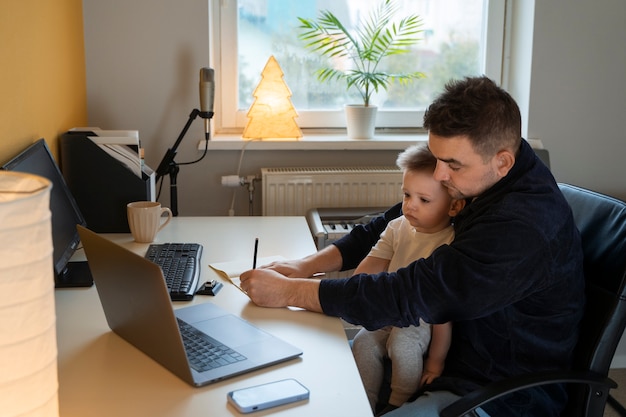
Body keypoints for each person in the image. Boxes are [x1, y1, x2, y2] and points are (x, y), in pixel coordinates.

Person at [240, 76, 585, 417]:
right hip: (441, 355)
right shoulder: (479, 179)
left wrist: (290, 293)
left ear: (503, 161)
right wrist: (306, 266)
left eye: (452, 164)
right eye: (437, 158)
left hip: (493, 390)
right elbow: (386, 225)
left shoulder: (521, 227)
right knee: (301, 372)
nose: (438, 175)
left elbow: (411, 293)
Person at [352, 144, 464, 416]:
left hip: (421, 318)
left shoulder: (451, 243)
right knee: (363, 342)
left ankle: (398, 404)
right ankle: (362, 403)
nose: (410, 205)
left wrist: (436, 362)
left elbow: (442, 313)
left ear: (454, 206)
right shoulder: (396, 227)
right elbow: (367, 271)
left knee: (402, 344)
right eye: (406, 194)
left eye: (424, 200)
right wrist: (349, 293)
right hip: (389, 310)